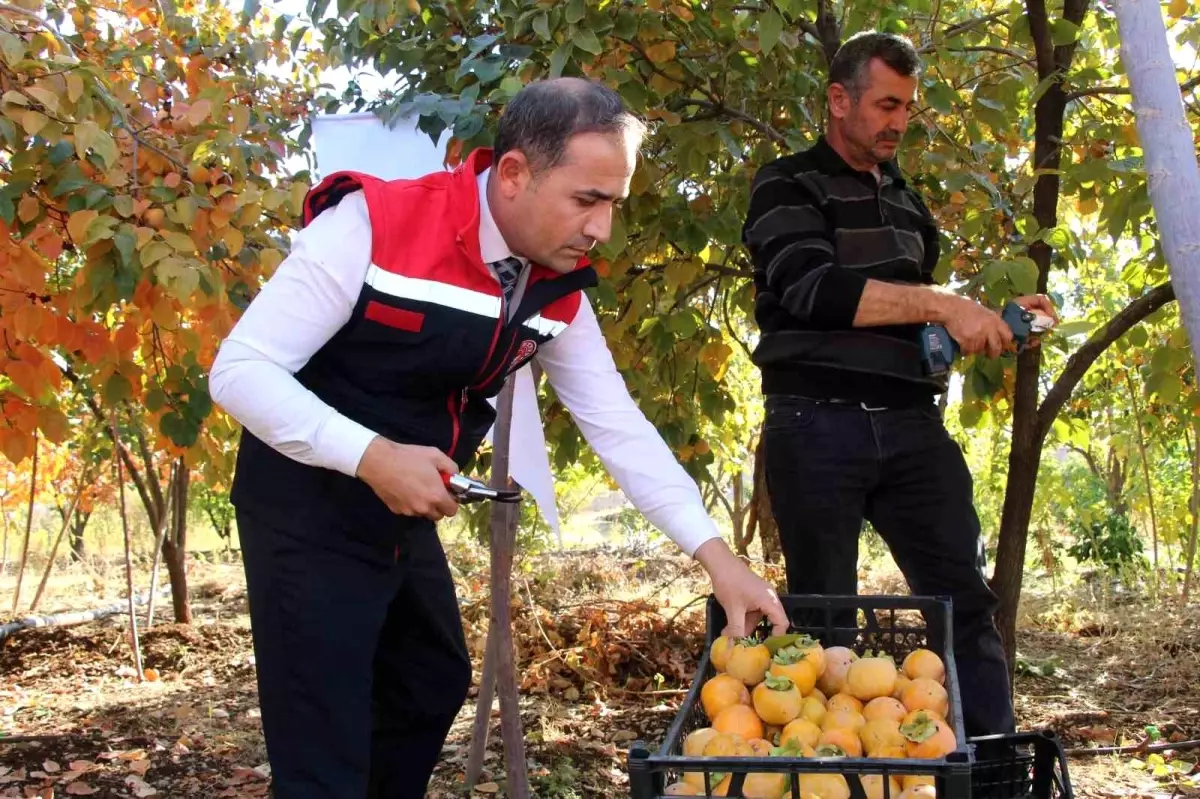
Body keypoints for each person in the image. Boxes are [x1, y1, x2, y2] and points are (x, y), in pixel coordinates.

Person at [209, 77, 788, 799]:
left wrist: (716, 556)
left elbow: (618, 426)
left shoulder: (558, 288)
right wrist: (372, 456)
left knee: (428, 677)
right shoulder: (373, 226)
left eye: (613, 203)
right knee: (323, 737)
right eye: (587, 200)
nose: (601, 228)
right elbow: (239, 371)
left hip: (401, 506)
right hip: (305, 506)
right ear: (513, 173)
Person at [740, 31, 1057, 738]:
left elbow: (920, 329)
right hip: (815, 422)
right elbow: (814, 290)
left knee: (966, 604)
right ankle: (827, 779)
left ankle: (989, 771)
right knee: (825, 624)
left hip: (913, 424)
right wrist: (945, 303)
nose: (899, 121)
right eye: (886, 103)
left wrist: (993, 322)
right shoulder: (786, 182)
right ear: (838, 99)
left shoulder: (911, 205)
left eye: (909, 107)